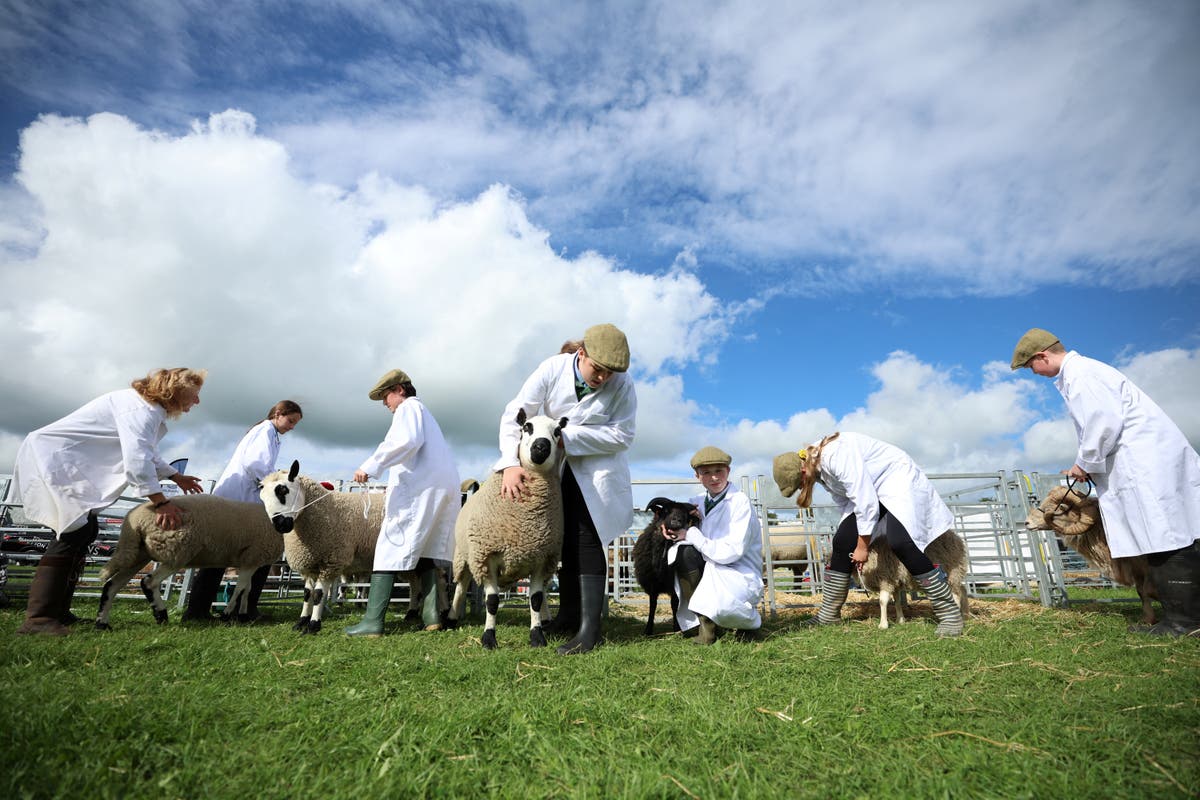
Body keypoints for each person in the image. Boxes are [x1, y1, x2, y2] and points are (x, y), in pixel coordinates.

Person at [1011, 327, 1200, 636]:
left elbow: (1102, 423)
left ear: (1042, 356)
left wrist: (1083, 463)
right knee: (1169, 534)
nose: (1033, 373)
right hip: (1146, 463)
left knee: (1164, 537)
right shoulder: (1085, 372)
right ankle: (1185, 617)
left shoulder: (1082, 376)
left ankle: (1184, 622)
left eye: (1030, 366)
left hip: (1143, 466)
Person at [12, 368, 207, 635]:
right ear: (174, 391)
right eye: (193, 395)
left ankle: (57, 613)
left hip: (70, 463)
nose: (196, 402)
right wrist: (161, 503)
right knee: (73, 531)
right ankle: (39, 619)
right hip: (57, 460)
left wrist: (175, 475)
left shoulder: (147, 409)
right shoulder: (140, 410)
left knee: (84, 530)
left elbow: (146, 453)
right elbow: (137, 462)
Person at [497, 323, 637, 655]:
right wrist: (509, 463)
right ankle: (569, 616)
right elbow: (515, 414)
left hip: (598, 469)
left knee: (587, 540)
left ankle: (590, 631)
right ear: (581, 353)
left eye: (609, 373)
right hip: (557, 469)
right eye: (597, 369)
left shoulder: (623, 384)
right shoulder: (552, 368)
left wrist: (567, 436)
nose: (603, 378)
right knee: (567, 542)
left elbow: (623, 436)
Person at [772, 432, 964, 637]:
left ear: (803, 470)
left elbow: (865, 502)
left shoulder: (836, 456)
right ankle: (829, 613)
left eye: (799, 484)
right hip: (873, 490)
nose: (802, 488)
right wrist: (853, 542)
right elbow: (846, 503)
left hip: (898, 482)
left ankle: (949, 613)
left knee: (901, 541)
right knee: (841, 541)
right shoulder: (819, 470)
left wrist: (863, 547)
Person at [346, 369, 460, 637]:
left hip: (419, 489)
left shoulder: (408, 408)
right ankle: (431, 617)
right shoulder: (426, 414)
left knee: (390, 546)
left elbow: (406, 441)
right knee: (426, 550)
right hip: (441, 486)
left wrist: (370, 466)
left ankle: (373, 622)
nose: (385, 404)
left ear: (400, 389)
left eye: (386, 396)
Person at [183, 400, 303, 622]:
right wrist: (274, 484)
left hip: (237, 502)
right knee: (253, 555)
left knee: (222, 558)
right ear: (278, 414)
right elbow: (255, 463)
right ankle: (233, 611)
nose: (292, 426)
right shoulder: (265, 430)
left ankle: (211, 611)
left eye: (295, 423)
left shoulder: (269, 434)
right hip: (236, 502)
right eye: (290, 420)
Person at [660, 447, 763, 644]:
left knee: (721, 607)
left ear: (728, 471)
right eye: (706, 472)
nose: (714, 478)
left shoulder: (740, 503)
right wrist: (667, 527)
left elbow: (731, 552)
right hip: (709, 565)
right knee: (683, 552)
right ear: (697, 476)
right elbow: (675, 522)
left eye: (719, 471)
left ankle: (750, 624)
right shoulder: (696, 502)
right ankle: (705, 627)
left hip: (737, 571)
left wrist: (691, 532)